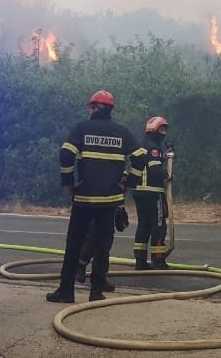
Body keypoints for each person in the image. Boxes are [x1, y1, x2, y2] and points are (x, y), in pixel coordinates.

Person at [47, 90, 147, 303]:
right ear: (110, 110)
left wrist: (69, 183)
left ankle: (66, 291)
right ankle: (96, 291)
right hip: (110, 200)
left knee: (74, 244)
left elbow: (66, 154)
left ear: (93, 108)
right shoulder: (122, 132)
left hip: (83, 198)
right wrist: (128, 183)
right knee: (103, 245)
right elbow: (140, 158)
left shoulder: (81, 129)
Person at [132, 116, 172, 270]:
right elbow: (155, 171)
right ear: (154, 130)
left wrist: (163, 157)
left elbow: (147, 164)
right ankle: (158, 260)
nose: (164, 134)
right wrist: (168, 175)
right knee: (159, 226)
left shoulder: (141, 144)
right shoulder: (153, 147)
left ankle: (140, 261)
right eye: (161, 130)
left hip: (139, 192)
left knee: (144, 226)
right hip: (153, 192)